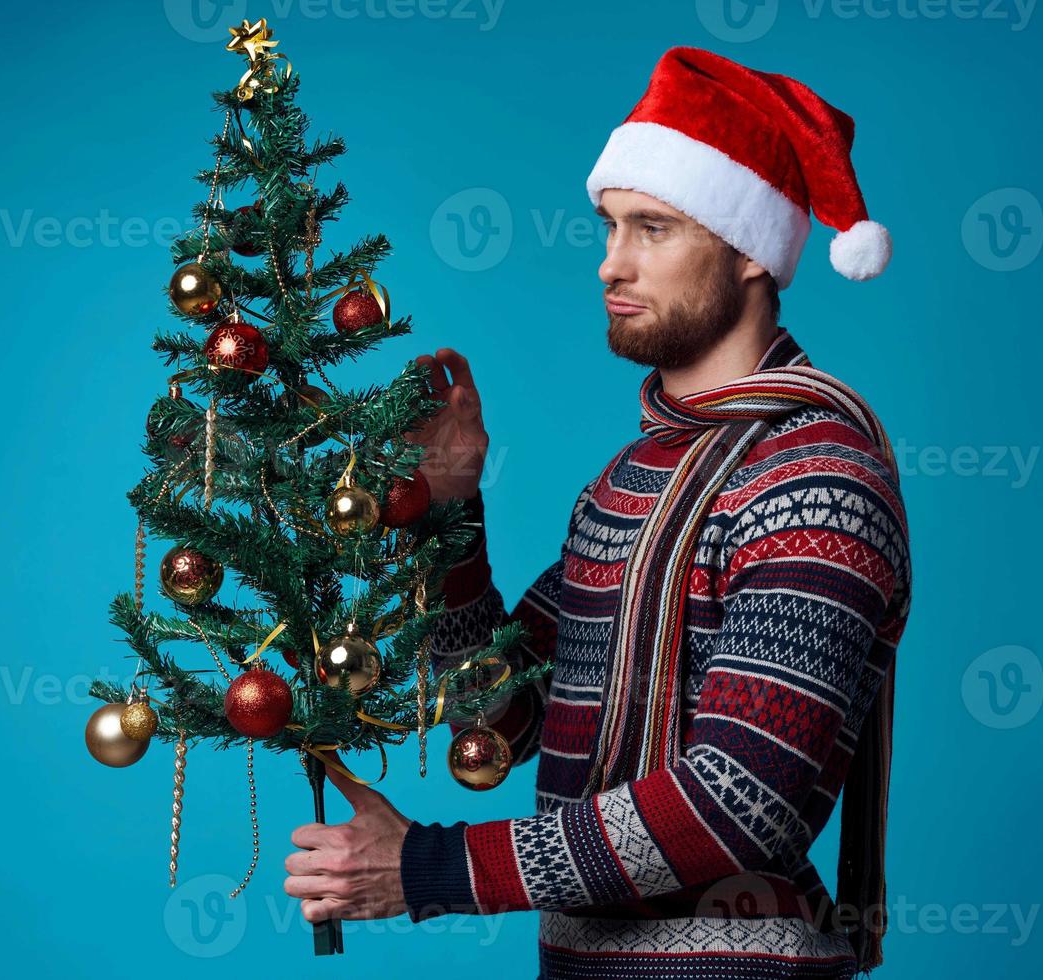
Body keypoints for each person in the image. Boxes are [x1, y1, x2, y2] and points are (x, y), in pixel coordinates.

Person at [284, 46, 912, 980]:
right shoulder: (631, 481)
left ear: (748, 250)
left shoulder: (817, 475)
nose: (611, 265)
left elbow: (738, 801)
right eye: (609, 227)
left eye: (652, 228)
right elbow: (507, 709)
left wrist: (427, 868)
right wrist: (448, 516)